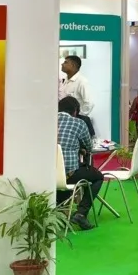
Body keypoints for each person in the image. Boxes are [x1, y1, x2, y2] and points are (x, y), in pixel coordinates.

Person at [56, 96, 103, 231]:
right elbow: (89, 147)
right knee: (98, 176)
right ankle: (81, 213)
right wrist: (81, 149)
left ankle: (59, 208)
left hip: (49, 175)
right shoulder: (78, 123)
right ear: (75, 111)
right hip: (69, 174)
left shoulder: (48, 121)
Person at [60, 55, 95, 137]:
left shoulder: (81, 81)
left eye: (65, 62)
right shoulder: (65, 80)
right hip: (65, 121)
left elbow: (89, 103)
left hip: (76, 121)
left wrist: (77, 116)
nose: (62, 64)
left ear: (73, 65)